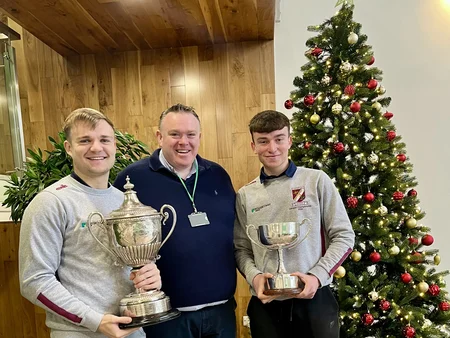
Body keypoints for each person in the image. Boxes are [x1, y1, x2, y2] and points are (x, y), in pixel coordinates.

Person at [19, 108, 161, 338]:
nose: (96, 148)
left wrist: (149, 273)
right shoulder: (51, 202)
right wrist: (95, 321)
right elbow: (34, 281)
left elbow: (129, 266)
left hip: (132, 330)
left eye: (104, 140)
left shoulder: (123, 202)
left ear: (114, 145)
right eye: (85, 140)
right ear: (68, 148)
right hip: (80, 333)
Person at [113, 103, 237, 338]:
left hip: (222, 313)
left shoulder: (218, 175)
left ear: (200, 137)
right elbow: (116, 246)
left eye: (191, 135)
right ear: (159, 137)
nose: (184, 142)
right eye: (175, 134)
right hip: (166, 318)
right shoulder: (132, 179)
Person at [234, 110, 355, 338]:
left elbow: (344, 236)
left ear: (289, 140)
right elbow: (241, 248)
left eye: (279, 139)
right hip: (266, 307)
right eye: (263, 141)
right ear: (253, 146)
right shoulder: (245, 195)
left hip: (314, 301)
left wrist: (317, 276)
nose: (272, 148)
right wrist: (255, 277)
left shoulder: (316, 181)